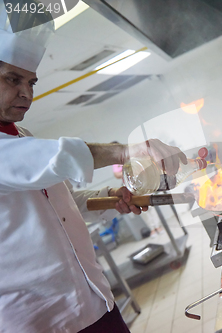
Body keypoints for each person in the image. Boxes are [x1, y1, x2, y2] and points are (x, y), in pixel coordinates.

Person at [0, 3, 187, 332]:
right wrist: (127, 151)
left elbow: (62, 201)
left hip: (94, 299)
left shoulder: (22, 136)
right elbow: (56, 156)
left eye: (31, 83)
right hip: (40, 319)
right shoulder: (17, 149)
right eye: (14, 79)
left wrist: (111, 194)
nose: (26, 93)